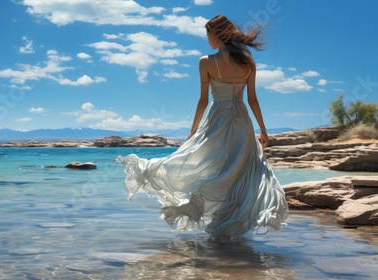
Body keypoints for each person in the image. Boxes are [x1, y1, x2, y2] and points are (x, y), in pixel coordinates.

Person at [116, 15, 289, 239]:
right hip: (241, 122)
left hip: (217, 119)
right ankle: (229, 225)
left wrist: (193, 129)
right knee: (238, 172)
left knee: (204, 164)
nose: (207, 40)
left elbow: (203, 101)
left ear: (218, 34)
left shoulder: (206, 61)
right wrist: (263, 129)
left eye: (208, 35)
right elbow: (253, 99)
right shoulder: (248, 62)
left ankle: (216, 221)